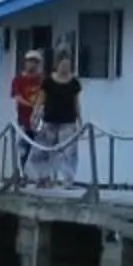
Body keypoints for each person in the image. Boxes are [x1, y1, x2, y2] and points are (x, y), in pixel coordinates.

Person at [40, 46, 83, 186]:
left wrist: (79, 119)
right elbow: (42, 100)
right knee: (48, 149)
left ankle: (68, 179)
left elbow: (76, 102)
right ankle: (48, 177)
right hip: (50, 119)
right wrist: (36, 113)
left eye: (68, 65)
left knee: (68, 151)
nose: (65, 67)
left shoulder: (74, 83)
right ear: (57, 64)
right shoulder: (48, 81)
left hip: (68, 120)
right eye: (63, 64)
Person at [9, 49, 45, 181]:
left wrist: (40, 108)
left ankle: (42, 177)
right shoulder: (18, 80)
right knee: (24, 147)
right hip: (24, 119)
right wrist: (31, 106)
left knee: (41, 148)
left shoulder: (42, 80)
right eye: (30, 61)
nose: (33, 65)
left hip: (40, 119)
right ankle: (23, 174)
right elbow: (17, 97)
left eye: (36, 62)